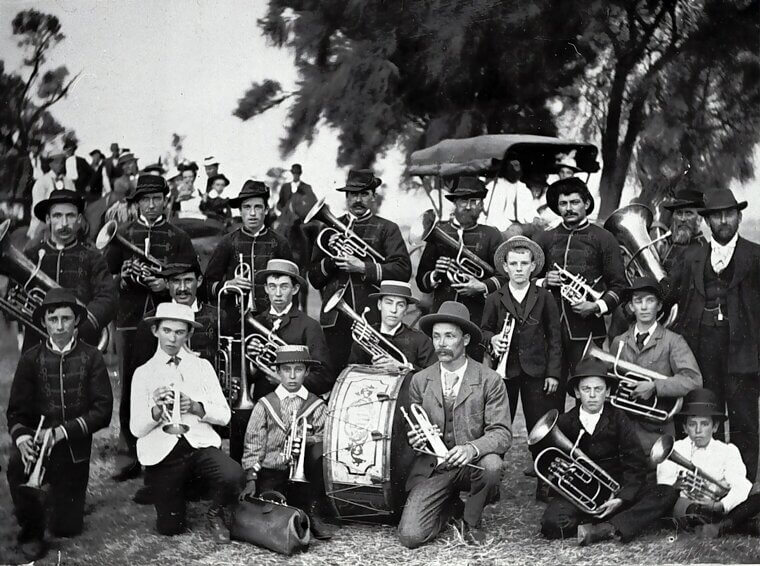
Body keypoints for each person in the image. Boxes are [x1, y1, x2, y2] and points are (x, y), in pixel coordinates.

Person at [6, 288, 113, 562]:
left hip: (73, 452)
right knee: (17, 465)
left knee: (66, 529)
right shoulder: (30, 358)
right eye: (53, 320)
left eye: (66, 319)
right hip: (38, 443)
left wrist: (63, 431)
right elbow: (16, 412)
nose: (60, 326)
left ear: (76, 321)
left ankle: (52, 502)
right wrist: (22, 439)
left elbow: (103, 411)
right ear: (44, 323)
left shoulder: (92, 357)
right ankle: (30, 531)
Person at [105, 173, 197, 482]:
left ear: (165, 200)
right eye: (145, 199)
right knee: (131, 386)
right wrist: (124, 278)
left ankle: (168, 451)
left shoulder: (178, 236)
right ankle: (128, 454)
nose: (152, 204)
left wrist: (166, 283)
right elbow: (107, 277)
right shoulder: (125, 232)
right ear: (137, 203)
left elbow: (192, 277)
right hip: (131, 320)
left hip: (167, 319)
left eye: (157, 198)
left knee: (169, 383)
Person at [397, 301, 511, 548]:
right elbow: (414, 430)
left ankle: (470, 521)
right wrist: (416, 440)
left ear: (466, 340)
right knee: (411, 537)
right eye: (437, 336)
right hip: (434, 467)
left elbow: (502, 434)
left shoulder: (489, 380)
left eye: (450, 336)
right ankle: (450, 507)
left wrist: (471, 448)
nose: (442, 343)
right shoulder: (419, 380)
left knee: (492, 465)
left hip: (472, 465)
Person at [130, 302, 244, 541]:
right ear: (155, 331)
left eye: (180, 332)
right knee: (170, 528)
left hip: (199, 445)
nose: (172, 338)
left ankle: (215, 513)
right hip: (163, 453)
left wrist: (195, 407)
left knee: (234, 475)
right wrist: (156, 410)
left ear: (189, 334)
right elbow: (136, 429)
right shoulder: (143, 373)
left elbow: (224, 415)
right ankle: (167, 489)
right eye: (167, 331)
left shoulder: (202, 367)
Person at [669, 188, 760, 481]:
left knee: (745, 420)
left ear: (739, 216)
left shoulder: (756, 255)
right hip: (700, 350)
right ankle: (708, 480)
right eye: (717, 216)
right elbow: (669, 294)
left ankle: (741, 488)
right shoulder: (690, 257)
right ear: (707, 221)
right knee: (705, 414)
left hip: (743, 351)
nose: (723, 221)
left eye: (729, 214)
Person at [540, 359, 679, 545]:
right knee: (551, 523)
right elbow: (549, 462)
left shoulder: (619, 418)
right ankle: (611, 522)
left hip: (617, 490)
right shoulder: (564, 422)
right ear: (576, 392)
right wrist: (560, 474)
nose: (592, 395)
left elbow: (635, 464)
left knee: (666, 493)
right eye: (586, 389)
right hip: (580, 494)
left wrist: (622, 498)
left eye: (598, 389)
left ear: (607, 392)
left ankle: (605, 528)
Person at [480, 236, 562, 495]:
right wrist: (492, 338)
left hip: (537, 372)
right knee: (497, 426)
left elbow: (554, 337)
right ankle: (491, 484)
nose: (518, 268)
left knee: (539, 428)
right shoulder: (494, 298)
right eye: (513, 263)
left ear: (532, 267)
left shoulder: (545, 296)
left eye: (523, 263)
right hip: (504, 374)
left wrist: (553, 373)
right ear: (505, 267)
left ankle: (545, 483)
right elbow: (483, 330)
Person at [309, 169, 412, 371]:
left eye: (364, 194)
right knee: (334, 375)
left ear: (373, 196)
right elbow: (314, 278)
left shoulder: (387, 228)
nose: (358, 199)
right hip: (334, 320)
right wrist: (331, 259)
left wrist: (363, 266)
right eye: (353, 194)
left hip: (372, 317)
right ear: (346, 197)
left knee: (370, 374)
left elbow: (402, 270)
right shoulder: (327, 231)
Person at [238, 259, 332, 463]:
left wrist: (284, 380)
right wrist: (251, 362)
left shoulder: (309, 326)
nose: (278, 294)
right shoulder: (255, 323)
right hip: (262, 405)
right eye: (272, 286)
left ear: (295, 288)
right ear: (265, 288)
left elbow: (324, 378)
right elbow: (246, 374)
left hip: (298, 411)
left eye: (284, 286)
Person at [240, 345, 337, 540]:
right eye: (286, 369)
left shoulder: (316, 405)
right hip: (271, 470)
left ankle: (311, 513)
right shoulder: (264, 405)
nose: (292, 376)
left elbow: (326, 436)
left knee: (317, 457)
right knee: (271, 512)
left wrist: (306, 441)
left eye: (299, 369)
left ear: (307, 372)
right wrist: (251, 477)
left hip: (303, 474)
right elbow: (253, 443)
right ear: (277, 372)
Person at [535, 177, 627, 375]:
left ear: (586, 204)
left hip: (588, 331)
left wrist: (596, 306)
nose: (569, 208)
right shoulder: (545, 238)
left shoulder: (604, 238)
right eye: (563, 204)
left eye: (574, 202)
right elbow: (523, 279)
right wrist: (543, 281)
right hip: (547, 331)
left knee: (587, 390)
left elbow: (619, 285)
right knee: (549, 395)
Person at [609, 277, 701, 454]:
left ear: (659, 306)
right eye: (638, 301)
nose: (644, 307)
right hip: (623, 430)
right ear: (631, 306)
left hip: (656, 432)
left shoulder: (673, 341)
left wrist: (655, 386)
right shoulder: (619, 342)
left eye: (650, 301)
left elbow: (694, 380)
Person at [416, 177, 504, 361]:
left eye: (475, 201)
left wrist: (482, 286)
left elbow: (503, 276)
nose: (468, 206)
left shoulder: (492, 234)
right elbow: (421, 281)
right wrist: (435, 274)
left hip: (477, 317)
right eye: (463, 200)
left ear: (481, 206)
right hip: (441, 313)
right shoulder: (438, 231)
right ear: (455, 203)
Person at [656, 388, 760, 538]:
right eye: (692, 424)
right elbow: (663, 490)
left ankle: (723, 525)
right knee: (686, 509)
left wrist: (720, 505)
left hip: (720, 505)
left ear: (715, 426)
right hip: (689, 508)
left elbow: (741, 486)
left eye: (704, 424)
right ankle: (740, 524)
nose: (698, 430)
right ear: (685, 428)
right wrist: (675, 486)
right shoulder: (674, 449)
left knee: (756, 492)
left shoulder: (727, 450)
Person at [22, 190, 116, 351]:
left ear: (79, 220)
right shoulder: (31, 256)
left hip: (82, 343)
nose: (64, 223)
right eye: (57, 216)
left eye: (70, 216)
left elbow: (108, 298)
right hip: (38, 345)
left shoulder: (93, 257)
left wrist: (82, 324)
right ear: (48, 219)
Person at [205, 179, 294, 316]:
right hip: (234, 319)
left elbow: (292, 288)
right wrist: (228, 285)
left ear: (266, 210)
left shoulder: (281, 243)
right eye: (247, 207)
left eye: (258, 207)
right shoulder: (227, 242)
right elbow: (206, 286)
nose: (252, 213)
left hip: (273, 320)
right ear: (240, 211)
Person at [347, 280, 436, 372]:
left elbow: (431, 376)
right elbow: (352, 372)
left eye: (400, 305)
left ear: (405, 310)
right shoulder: (365, 334)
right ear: (379, 305)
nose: (393, 310)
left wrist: (402, 367)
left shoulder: (420, 340)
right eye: (389, 303)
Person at [275, 163, 318, 309]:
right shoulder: (285, 187)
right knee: (275, 230)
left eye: (297, 173)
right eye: (294, 173)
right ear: (291, 173)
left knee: (310, 232)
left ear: (300, 173)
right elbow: (279, 204)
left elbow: (312, 203)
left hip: (300, 220)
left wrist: (299, 213)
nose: (295, 175)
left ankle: (310, 260)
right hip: (286, 218)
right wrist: (284, 211)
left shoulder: (306, 188)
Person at [28, 154, 75, 240]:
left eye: (63, 162)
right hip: (44, 221)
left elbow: (74, 202)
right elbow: (37, 206)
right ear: (50, 164)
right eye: (57, 162)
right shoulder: (42, 182)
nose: (61, 165)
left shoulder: (69, 182)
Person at [660, 189, 707, 273]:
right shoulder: (671, 244)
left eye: (688, 213)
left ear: (699, 218)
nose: (682, 219)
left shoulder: (703, 251)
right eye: (679, 213)